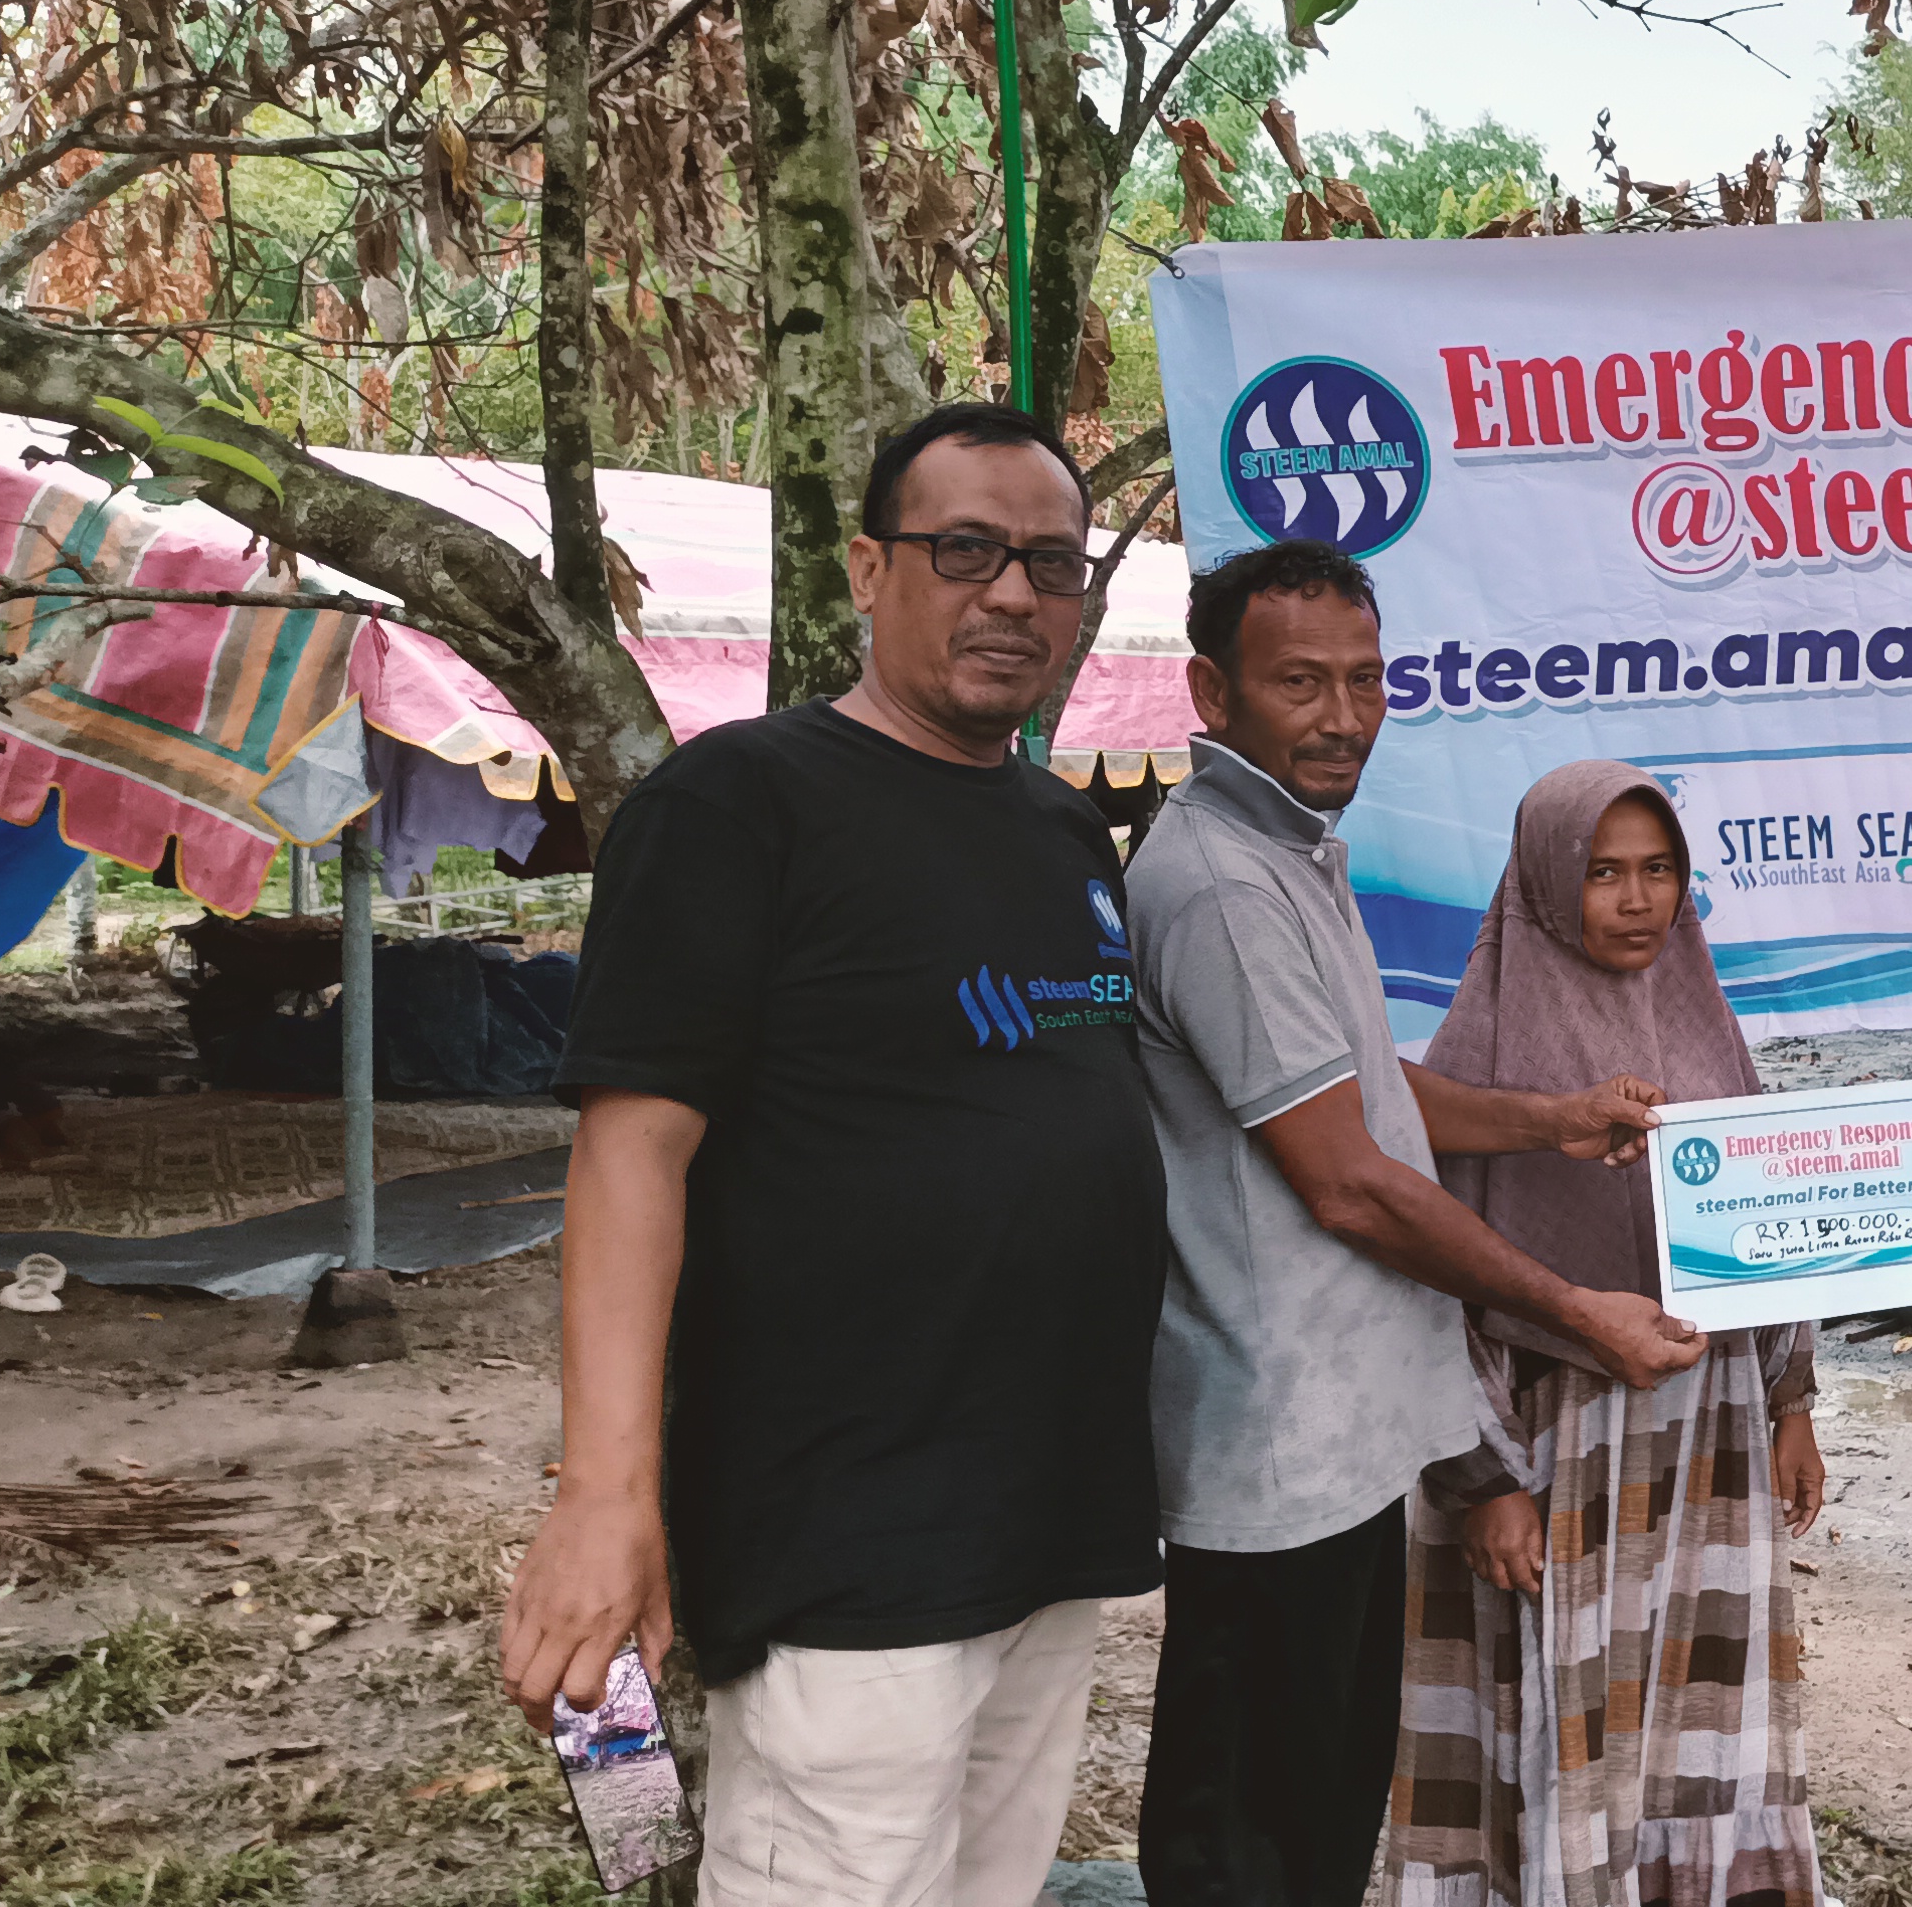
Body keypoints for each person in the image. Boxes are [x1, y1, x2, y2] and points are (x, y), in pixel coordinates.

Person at [500, 402, 1164, 1907]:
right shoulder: (741, 804)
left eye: (1051, 563)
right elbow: (631, 1153)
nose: (1013, 594)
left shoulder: (1062, 831)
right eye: (966, 551)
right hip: (855, 1529)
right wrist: (604, 1494)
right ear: (869, 571)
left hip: (1053, 1512)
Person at [1127, 541, 1711, 1907]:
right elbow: (1347, 1177)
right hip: (1272, 1451)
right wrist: (1573, 1309)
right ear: (1212, 693)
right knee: (1246, 1827)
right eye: (1301, 684)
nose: (1343, 717)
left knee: (1322, 1804)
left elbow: (1369, 1092)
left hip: (1342, 1439)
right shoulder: (1221, 883)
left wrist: (1553, 1119)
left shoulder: (1288, 849)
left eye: (1365, 680)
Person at [1390, 760, 1827, 1907]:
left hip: (1706, 1442)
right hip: (1551, 1451)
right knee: (1559, 1716)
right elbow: (1432, 1287)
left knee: (1695, 1714)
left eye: (1658, 870)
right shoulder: (1480, 1064)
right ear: (1544, 885)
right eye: (1601, 874)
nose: (1638, 900)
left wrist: (1791, 1404)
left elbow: (1773, 1226)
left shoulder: (1704, 1024)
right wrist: (1484, 1480)